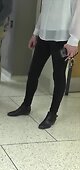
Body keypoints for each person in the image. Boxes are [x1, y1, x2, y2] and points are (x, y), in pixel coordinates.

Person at [8, 0, 80, 129]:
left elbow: (78, 13)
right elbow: (44, 12)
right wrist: (35, 33)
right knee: (33, 72)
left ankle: (52, 114)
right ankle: (26, 106)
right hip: (43, 36)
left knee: (58, 75)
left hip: (62, 39)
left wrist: (74, 40)